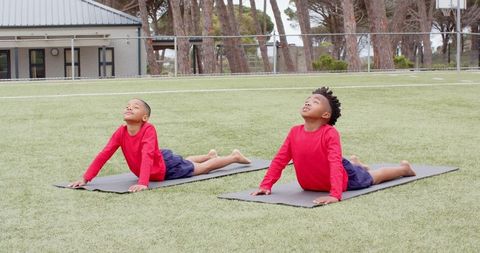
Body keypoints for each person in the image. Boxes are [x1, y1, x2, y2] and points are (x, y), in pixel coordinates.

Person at [251, 87, 416, 205]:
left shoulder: (330, 133)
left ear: (326, 114)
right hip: (312, 184)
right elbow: (280, 160)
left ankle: (404, 169)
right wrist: (265, 185)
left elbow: (335, 163)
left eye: (315, 102)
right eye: (307, 100)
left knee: (374, 176)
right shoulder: (294, 132)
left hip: (344, 178)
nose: (308, 103)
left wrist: (335, 195)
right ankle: (356, 164)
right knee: (353, 166)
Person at [69, 98, 251, 192]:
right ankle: (209, 155)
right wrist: (86, 178)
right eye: (128, 106)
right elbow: (104, 154)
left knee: (200, 169)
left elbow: (147, 154)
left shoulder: (149, 129)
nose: (129, 108)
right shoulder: (121, 132)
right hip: (160, 160)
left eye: (135, 107)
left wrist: (143, 183)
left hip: (162, 168)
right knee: (184, 161)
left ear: (144, 118)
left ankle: (233, 157)